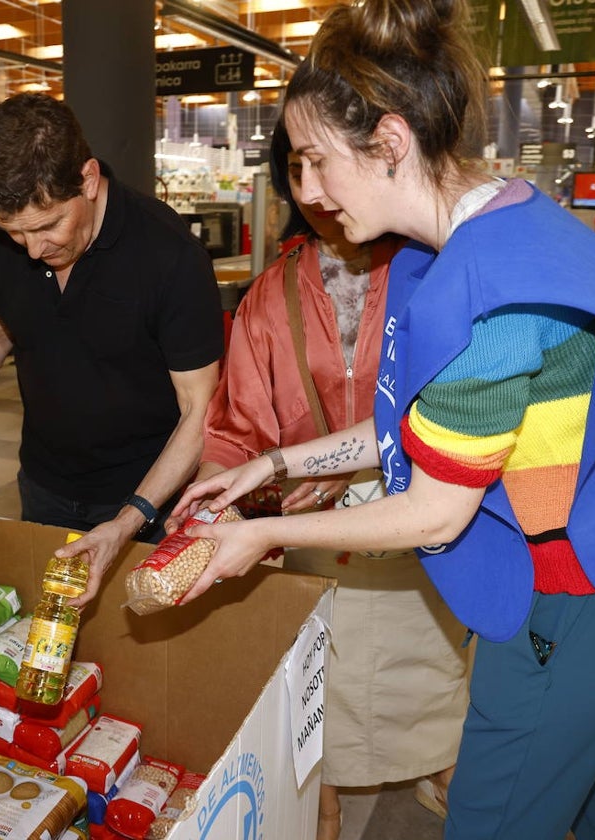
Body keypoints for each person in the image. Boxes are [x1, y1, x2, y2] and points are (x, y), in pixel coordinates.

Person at [171, 2, 595, 838]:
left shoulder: (507, 299)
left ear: (389, 142)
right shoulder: (483, 232)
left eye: (314, 161)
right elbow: (420, 431)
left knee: (492, 814)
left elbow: (438, 506)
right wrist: (275, 467)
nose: (304, 191)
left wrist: (261, 538)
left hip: (582, 593)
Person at [189, 122, 466, 839]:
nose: (313, 188)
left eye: (323, 163)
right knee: (323, 680)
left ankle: (440, 767)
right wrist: (222, 499)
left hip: (422, 528)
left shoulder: (432, 270)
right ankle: (325, 795)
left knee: (430, 670)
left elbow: (454, 413)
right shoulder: (272, 292)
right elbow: (233, 427)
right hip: (313, 533)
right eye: (296, 165)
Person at [0, 93, 224, 601]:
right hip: (45, 482)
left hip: (149, 494)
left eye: (48, 225)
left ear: (89, 180)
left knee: (146, 642)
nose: (33, 250)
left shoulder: (169, 255)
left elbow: (198, 410)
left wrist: (129, 519)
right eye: (15, 233)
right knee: (53, 638)